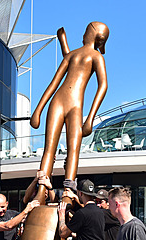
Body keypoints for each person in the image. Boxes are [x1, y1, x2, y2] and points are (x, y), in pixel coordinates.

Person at [30, 22, 109, 201]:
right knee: (52, 148)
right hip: (60, 102)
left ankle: (68, 191)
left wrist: (90, 118)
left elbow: (103, 85)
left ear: (93, 36)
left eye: (86, 31)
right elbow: (54, 82)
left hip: (73, 106)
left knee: (73, 149)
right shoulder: (74, 55)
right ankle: (42, 188)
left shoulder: (96, 57)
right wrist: (38, 110)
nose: (83, 34)